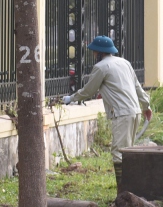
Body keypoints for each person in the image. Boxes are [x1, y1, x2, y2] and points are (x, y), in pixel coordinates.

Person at [63, 35, 152, 191]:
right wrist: (146, 106)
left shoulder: (101, 67)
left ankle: (123, 193)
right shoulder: (125, 63)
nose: (93, 55)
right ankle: (131, 190)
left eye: (94, 52)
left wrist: (71, 98)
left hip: (121, 114)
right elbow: (138, 87)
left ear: (98, 52)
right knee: (128, 151)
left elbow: (89, 90)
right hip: (135, 111)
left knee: (119, 153)